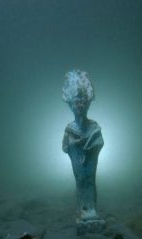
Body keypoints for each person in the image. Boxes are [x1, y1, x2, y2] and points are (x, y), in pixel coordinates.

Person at [61, 70, 104, 223]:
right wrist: (76, 144)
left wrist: (91, 148)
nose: (79, 105)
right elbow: (65, 147)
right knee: (80, 181)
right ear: (71, 105)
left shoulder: (94, 126)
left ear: (87, 105)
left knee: (90, 180)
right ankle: (82, 209)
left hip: (90, 163)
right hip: (78, 163)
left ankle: (91, 209)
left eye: (82, 102)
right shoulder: (70, 128)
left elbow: (99, 142)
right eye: (76, 102)